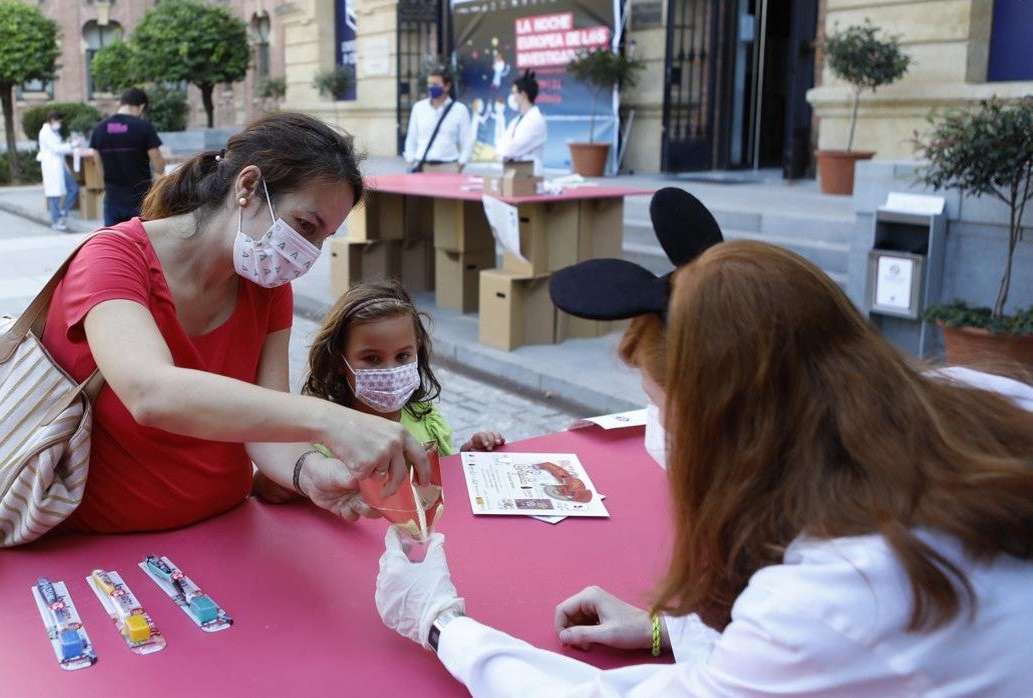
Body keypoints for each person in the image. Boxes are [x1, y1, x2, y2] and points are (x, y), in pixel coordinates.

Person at [375, 238, 1033, 695]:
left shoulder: (830, 599)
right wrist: (669, 626)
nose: (656, 435)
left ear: (735, 424)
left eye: (663, 411)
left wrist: (441, 624)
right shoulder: (985, 402)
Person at [41, 112, 433, 534]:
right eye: (305, 225)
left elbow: (263, 428)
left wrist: (310, 471)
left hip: (228, 529)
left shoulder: (266, 286)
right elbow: (150, 392)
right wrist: (335, 420)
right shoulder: (113, 259)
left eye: (324, 236)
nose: (309, 251)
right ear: (247, 186)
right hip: (101, 550)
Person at [256, 280, 505, 503]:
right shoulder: (320, 436)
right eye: (372, 358)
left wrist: (468, 458)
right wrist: (284, 482)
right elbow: (265, 487)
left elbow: (440, 483)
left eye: (403, 356)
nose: (391, 370)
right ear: (339, 363)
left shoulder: (425, 418)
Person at [89, 87, 165, 226]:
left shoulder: (99, 129)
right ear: (141, 107)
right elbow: (159, 166)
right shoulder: (144, 127)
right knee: (141, 245)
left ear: (122, 103)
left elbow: (98, 165)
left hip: (112, 201)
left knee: (115, 246)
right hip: (141, 202)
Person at [403, 68, 473, 173]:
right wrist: (410, 160)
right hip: (422, 166)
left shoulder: (459, 110)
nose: (431, 88)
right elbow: (411, 137)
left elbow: (467, 141)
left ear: (447, 86)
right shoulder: (419, 108)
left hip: (448, 166)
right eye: (429, 84)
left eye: (435, 84)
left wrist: (460, 164)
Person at [495, 70, 547, 175]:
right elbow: (501, 143)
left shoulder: (535, 120)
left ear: (523, 94)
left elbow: (512, 150)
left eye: (514, 93)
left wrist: (503, 150)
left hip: (530, 176)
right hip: (515, 174)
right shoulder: (516, 121)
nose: (512, 97)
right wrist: (502, 150)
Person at [37, 109, 80, 232]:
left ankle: (63, 211)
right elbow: (56, 148)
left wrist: (69, 145)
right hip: (51, 166)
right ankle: (56, 220)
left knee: (73, 188)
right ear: (53, 120)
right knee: (54, 194)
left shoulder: (53, 132)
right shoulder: (44, 132)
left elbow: (60, 147)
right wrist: (71, 145)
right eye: (59, 122)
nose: (59, 124)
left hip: (59, 165)